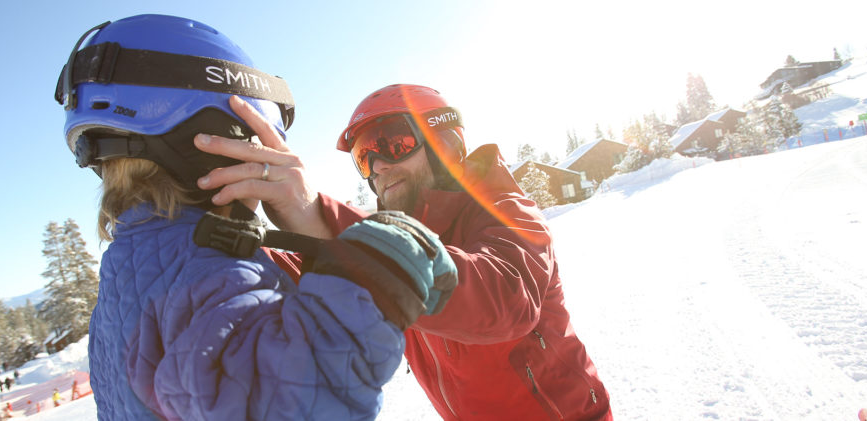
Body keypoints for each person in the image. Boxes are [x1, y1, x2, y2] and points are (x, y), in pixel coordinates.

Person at [55, 15, 454, 420]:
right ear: (217, 143)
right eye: (260, 141)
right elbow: (303, 398)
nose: (275, 160)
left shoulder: (133, 269)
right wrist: (388, 267)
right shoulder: (202, 273)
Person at [194, 84, 612, 420]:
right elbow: (311, 265)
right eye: (364, 157)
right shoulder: (391, 237)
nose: (377, 166)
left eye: (390, 143)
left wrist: (316, 214)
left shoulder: (504, 210)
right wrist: (237, 235)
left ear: (444, 145)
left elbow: (505, 298)